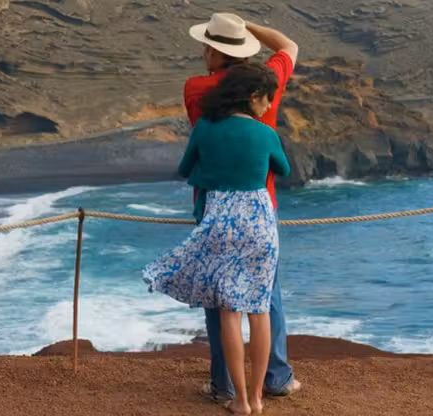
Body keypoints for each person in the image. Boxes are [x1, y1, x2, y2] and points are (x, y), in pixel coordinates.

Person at [143, 62, 291, 415]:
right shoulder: (265, 132)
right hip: (259, 223)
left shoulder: (205, 128)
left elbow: (185, 169)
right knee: (260, 312)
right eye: (267, 99)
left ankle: (239, 400)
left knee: (229, 313)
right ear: (253, 96)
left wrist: (211, 172)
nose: (269, 105)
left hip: (220, 221)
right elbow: (283, 169)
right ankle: (258, 397)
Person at [183, 12, 302, 403]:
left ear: (216, 52)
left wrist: (232, 32)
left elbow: (191, 158)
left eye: (208, 46)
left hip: (212, 205)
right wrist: (246, 27)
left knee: (219, 298)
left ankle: (225, 386)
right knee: (266, 295)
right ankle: (276, 378)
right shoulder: (267, 83)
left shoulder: (195, 88)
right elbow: (289, 46)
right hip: (260, 206)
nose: (203, 52)